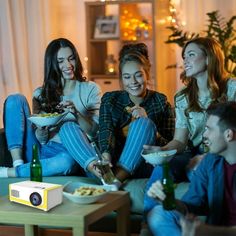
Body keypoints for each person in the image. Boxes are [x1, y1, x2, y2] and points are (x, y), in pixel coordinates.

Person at [143, 37, 236, 214]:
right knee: (162, 168)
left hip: (223, 153)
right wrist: (162, 151)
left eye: (191, 55)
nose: (185, 60)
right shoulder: (182, 97)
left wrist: (206, 158)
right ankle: (147, 225)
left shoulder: (232, 88)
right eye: (184, 56)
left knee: (206, 171)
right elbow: (179, 141)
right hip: (190, 153)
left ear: (209, 58)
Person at [0, 38, 102, 178]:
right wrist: (41, 132)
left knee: (66, 162)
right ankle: (18, 164)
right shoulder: (40, 93)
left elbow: (94, 131)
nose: (68, 65)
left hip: (67, 154)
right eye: (60, 61)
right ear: (52, 64)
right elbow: (40, 137)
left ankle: (12, 173)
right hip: (40, 150)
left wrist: (77, 114)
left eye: (71, 59)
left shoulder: (90, 89)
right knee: (15, 100)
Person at [146, 101, 236, 236]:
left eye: (209, 129)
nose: (204, 135)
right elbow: (192, 204)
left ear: (228, 135)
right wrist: (169, 201)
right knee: (158, 214)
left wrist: (208, 232)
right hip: (212, 229)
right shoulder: (210, 162)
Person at [97, 43, 175, 185]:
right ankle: (110, 177)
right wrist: (106, 155)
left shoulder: (160, 101)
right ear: (121, 79)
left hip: (143, 164)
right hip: (113, 161)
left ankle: (114, 181)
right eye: (127, 77)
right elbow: (105, 130)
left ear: (146, 75)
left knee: (144, 123)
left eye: (138, 75)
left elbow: (170, 146)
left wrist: (150, 125)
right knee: (69, 129)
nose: (132, 82)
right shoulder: (110, 99)